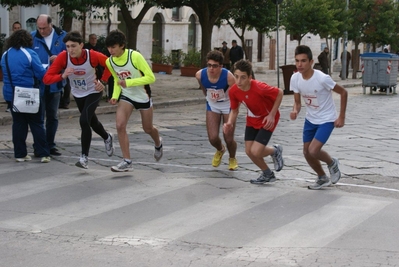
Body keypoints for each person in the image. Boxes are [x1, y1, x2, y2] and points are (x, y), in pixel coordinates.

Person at [43, 31, 114, 169]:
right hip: (78, 93)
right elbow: (47, 78)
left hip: (94, 91)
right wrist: (62, 76)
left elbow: (111, 64)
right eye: (68, 46)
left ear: (81, 45)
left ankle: (84, 158)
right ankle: (107, 137)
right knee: (92, 121)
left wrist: (103, 81)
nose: (70, 50)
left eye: (73, 46)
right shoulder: (64, 57)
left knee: (83, 120)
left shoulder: (92, 55)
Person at [290, 45, 348, 190]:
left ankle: (332, 163)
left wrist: (341, 116)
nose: (299, 64)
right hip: (311, 119)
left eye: (303, 61)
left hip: (327, 119)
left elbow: (343, 92)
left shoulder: (322, 78)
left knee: (313, 150)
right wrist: (295, 110)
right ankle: (322, 177)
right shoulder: (295, 78)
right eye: (297, 61)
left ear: (311, 62)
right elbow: (297, 103)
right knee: (306, 152)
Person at [105, 30, 163, 172]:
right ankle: (127, 161)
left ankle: (158, 143)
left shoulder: (134, 56)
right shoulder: (110, 61)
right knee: (119, 125)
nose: (110, 50)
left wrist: (129, 83)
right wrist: (114, 96)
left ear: (122, 46)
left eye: (113, 47)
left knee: (147, 128)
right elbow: (116, 80)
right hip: (126, 96)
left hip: (142, 95)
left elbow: (151, 78)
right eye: (108, 47)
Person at [223, 60, 284, 184]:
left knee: (256, 151)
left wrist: (272, 114)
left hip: (267, 119)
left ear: (250, 78)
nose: (239, 81)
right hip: (252, 119)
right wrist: (229, 123)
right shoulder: (234, 91)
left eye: (243, 78)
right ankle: (268, 174)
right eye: (236, 76)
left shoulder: (260, 87)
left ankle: (275, 150)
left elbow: (280, 92)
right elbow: (234, 110)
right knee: (249, 151)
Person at [1, 29, 51, 163]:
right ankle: (43, 153)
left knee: (18, 123)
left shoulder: (5, 54)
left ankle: (20, 154)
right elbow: (41, 74)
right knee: (37, 123)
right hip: (29, 93)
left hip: (11, 94)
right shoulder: (30, 53)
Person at [195, 50, 238, 170]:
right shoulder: (200, 75)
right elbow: (204, 89)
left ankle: (232, 157)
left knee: (228, 138)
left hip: (227, 105)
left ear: (221, 66)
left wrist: (234, 111)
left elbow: (236, 95)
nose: (211, 68)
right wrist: (210, 98)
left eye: (214, 66)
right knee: (213, 137)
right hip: (213, 104)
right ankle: (220, 149)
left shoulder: (229, 77)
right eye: (209, 65)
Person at [32, 14, 67, 156]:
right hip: (38, 83)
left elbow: (72, 55)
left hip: (55, 82)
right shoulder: (32, 36)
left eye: (44, 28)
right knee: (38, 117)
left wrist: (60, 58)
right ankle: (39, 145)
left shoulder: (63, 37)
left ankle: (50, 144)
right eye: (39, 28)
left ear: (51, 25)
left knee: (52, 116)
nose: (41, 31)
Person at [3, 21, 22, 113]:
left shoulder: (24, 40)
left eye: (19, 28)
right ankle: (9, 104)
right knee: (9, 84)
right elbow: (4, 52)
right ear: (12, 29)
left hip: (20, 65)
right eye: (15, 28)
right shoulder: (8, 41)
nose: (17, 30)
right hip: (10, 64)